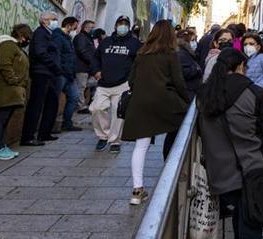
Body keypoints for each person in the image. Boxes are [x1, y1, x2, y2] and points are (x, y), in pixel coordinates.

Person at [197, 48, 263, 239]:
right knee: (250, 226)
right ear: (240, 67)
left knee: (239, 215)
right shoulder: (254, 93)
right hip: (252, 170)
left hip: (220, 173)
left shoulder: (204, 95)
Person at [121, 20, 189, 205]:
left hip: (141, 103)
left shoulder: (142, 53)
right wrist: (186, 100)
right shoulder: (171, 55)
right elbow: (179, 82)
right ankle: (175, 176)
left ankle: (137, 190)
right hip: (165, 102)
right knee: (180, 132)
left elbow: (131, 80)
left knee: (140, 147)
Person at [91, 15, 141, 153]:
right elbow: (95, 58)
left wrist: (133, 79)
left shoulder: (134, 43)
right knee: (96, 108)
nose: (122, 26)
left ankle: (114, 141)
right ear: (115, 25)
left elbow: (140, 61)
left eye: (125, 23)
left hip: (123, 84)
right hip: (104, 83)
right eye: (120, 23)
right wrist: (96, 71)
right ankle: (103, 135)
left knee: (117, 113)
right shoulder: (106, 42)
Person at [0, 24, 32, 161]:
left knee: (4, 120)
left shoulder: (16, 47)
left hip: (13, 92)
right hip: (5, 91)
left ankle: (1, 145)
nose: (27, 41)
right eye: (27, 37)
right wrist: (14, 81)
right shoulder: (7, 45)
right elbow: (5, 65)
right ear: (21, 35)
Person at [21, 12, 64, 146]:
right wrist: (55, 66)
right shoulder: (40, 33)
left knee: (51, 103)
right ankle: (28, 136)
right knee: (36, 104)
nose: (56, 22)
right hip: (42, 72)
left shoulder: (49, 34)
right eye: (53, 20)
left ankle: (44, 133)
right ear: (45, 21)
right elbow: (41, 52)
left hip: (49, 74)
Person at [53, 16, 81, 132]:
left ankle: (67, 122)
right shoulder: (58, 36)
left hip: (69, 74)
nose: (75, 29)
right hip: (61, 73)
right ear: (69, 25)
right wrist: (60, 70)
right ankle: (50, 125)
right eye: (75, 26)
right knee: (54, 98)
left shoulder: (68, 38)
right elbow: (57, 55)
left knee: (74, 96)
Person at [74, 20, 97, 115]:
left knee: (91, 83)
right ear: (85, 27)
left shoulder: (88, 38)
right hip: (81, 67)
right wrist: (92, 61)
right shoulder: (81, 37)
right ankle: (81, 106)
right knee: (81, 87)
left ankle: (83, 103)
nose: (93, 30)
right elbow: (82, 51)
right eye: (92, 28)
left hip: (87, 68)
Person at [177, 29, 203, 98]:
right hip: (187, 90)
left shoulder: (185, 50)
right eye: (192, 40)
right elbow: (182, 71)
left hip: (189, 89)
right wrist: (196, 69)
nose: (194, 42)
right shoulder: (181, 52)